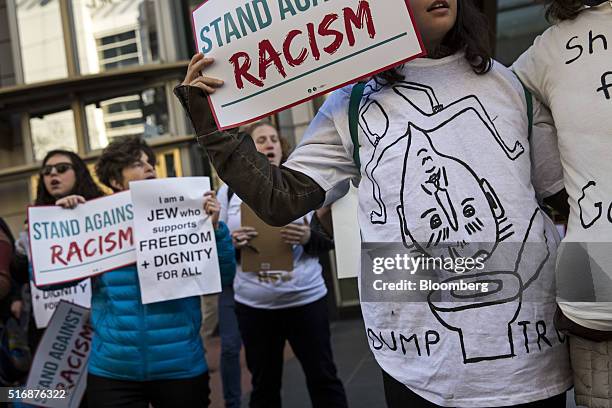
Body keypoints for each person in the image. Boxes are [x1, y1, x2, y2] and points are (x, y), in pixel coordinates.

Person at [175, 0, 574, 406]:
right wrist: (214, 128)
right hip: (417, 367)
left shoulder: (511, 85)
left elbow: (569, 203)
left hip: (530, 362)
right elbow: (280, 199)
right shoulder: (350, 103)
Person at [37, 137, 234, 408]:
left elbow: (223, 278)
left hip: (180, 365)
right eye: (137, 164)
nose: (150, 168)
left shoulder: (183, 215)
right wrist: (68, 225)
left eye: (150, 163)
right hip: (114, 372)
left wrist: (215, 231)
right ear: (116, 181)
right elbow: (47, 283)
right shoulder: (96, 224)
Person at [512, 1, 612, 406]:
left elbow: (507, 99)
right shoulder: (546, 52)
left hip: (592, 260)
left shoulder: (546, 51)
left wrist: (558, 188)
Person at [217, 121, 347, 408]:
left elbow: (329, 239)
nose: (269, 144)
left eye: (274, 139)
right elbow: (218, 244)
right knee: (264, 386)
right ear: (249, 150)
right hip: (255, 307)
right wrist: (232, 241)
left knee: (324, 378)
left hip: (306, 300)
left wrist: (307, 236)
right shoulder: (227, 192)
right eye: (261, 140)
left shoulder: (300, 183)